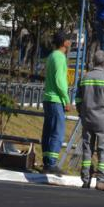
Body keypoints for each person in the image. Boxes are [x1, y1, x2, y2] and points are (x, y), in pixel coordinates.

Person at [75, 50, 104, 191]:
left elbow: (78, 99)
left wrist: (82, 113)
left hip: (87, 119)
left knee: (87, 150)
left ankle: (85, 179)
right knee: (103, 151)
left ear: (93, 62)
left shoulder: (84, 78)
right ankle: (101, 181)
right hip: (103, 121)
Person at [41, 30, 71, 175]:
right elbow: (60, 81)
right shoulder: (60, 57)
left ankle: (46, 161)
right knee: (57, 132)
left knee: (48, 131)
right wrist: (66, 99)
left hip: (48, 98)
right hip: (56, 99)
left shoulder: (51, 56)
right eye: (69, 40)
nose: (70, 42)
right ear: (64, 42)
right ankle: (52, 164)